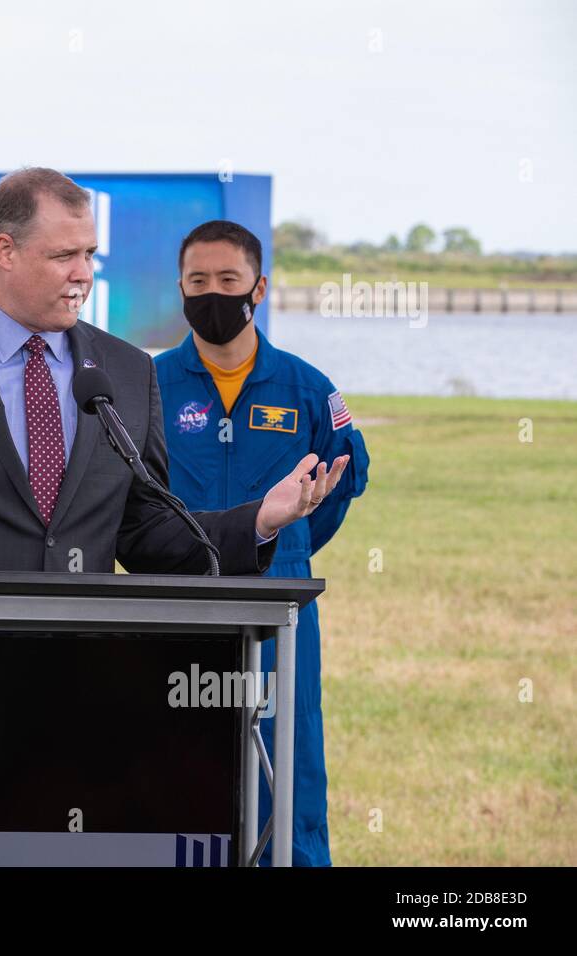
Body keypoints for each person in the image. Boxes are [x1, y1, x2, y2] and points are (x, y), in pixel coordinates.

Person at [0, 167, 350, 583]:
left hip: (84, 673)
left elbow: (143, 534)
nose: (83, 274)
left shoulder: (128, 372)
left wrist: (259, 521)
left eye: (90, 254)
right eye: (65, 255)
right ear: (5, 252)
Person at [155, 219, 370, 866]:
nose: (213, 293)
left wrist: (289, 546)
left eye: (228, 279)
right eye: (198, 281)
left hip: (281, 612)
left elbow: (340, 485)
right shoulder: (149, 385)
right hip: (176, 603)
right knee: (171, 754)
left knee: (288, 758)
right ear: (180, 289)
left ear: (260, 287)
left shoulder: (306, 388)